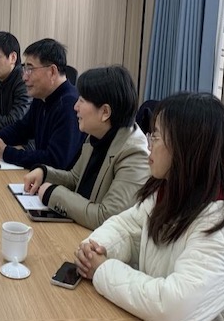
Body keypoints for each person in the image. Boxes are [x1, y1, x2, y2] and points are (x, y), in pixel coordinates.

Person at [74, 92, 224, 321]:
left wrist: (103, 270)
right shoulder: (172, 186)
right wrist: (95, 248)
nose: (148, 143)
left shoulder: (221, 221)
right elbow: (127, 227)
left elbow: (174, 307)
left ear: (185, 148)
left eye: (156, 136)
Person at [22, 65, 150, 229]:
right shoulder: (97, 134)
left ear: (105, 112)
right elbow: (75, 179)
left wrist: (53, 194)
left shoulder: (134, 154)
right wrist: (45, 173)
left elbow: (107, 217)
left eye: (82, 100)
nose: (75, 106)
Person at [0, 38, 83, 170]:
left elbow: (55, 160)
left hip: (57, 180)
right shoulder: (43, 96)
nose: (24, 77)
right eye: (25, 69)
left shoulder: (70, 105)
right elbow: (22, 129)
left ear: (52, 71)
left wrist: (6, 152)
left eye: (30, 69)